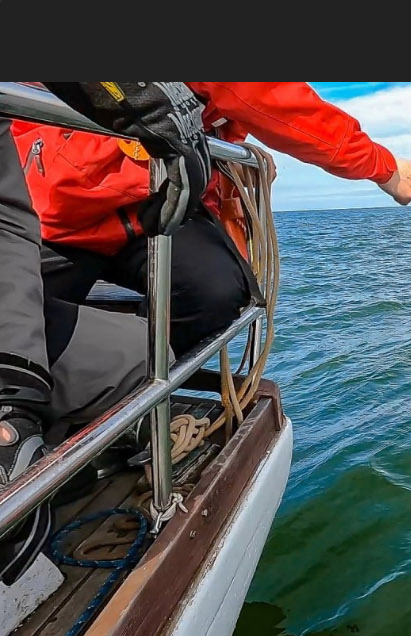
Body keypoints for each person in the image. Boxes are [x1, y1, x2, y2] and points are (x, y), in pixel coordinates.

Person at [13, 82, 411, 356]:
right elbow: (281, 105)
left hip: (158, 206)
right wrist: (386, 170)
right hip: (56, 208)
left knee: (215, 291)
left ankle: (130, 390)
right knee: (18, 308)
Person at [1, 81, 212, 585]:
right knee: (149, 357)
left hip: (98, 229)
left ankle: (44, 436)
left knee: (145, 353)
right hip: (64, 229)